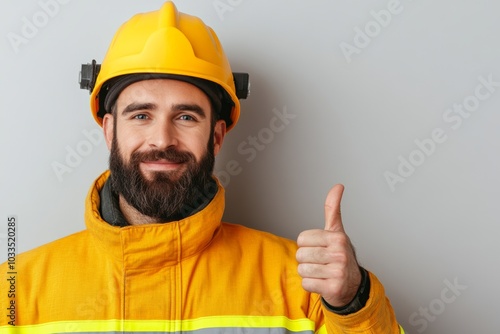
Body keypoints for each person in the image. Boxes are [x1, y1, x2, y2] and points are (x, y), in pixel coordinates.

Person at [0, 2, 404, 333]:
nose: (162, 139)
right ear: (109, 130)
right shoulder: (16, 293)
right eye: (141, 115)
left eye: (187, 117)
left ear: (217, 135)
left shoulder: (301, 287)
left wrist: (353, 301)